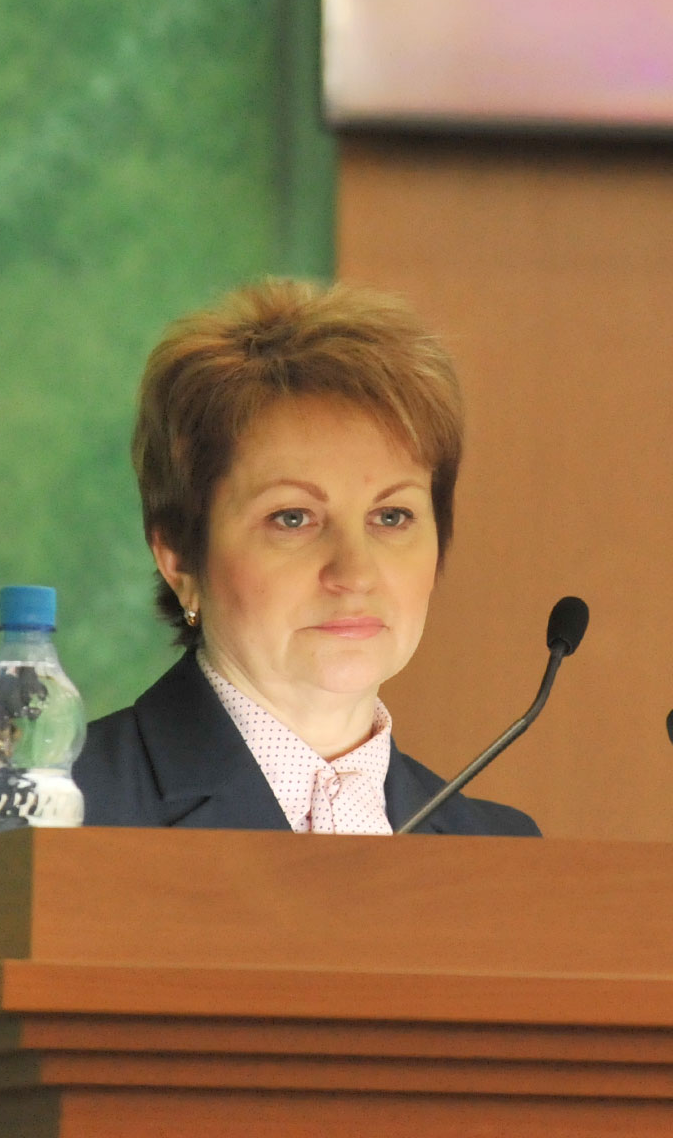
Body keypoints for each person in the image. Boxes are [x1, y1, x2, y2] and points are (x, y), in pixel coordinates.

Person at [75, 279, 539, 836]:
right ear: (179, 560)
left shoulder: (502, 850)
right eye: (293, 518)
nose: (355, 574)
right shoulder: (46, 813)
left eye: (392, 516)